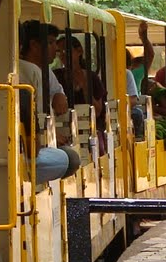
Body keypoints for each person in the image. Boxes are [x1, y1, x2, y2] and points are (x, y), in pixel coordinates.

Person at [18, 21, 79, 186]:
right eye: (51, 43)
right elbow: (36, 117)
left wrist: (59, 94)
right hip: (27, 149)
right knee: (71, 158)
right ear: (34, 45)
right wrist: (47, 135)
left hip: (26, 144)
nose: (56, 49)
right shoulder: (33, 71)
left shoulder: (45, 72)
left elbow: (59, 99)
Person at [57, 34, 107, 154]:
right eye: (60, 51)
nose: (63, 54)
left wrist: (84, 85)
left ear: (79, 51)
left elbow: (98, 110)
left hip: (90, 128)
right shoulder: (56, 76)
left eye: (66, 50)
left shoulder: (91, 77)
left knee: (98, 148)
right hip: (63, 126)